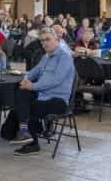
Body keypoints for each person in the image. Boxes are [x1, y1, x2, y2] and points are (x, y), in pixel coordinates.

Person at [9, 28, 75, 156]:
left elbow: (56, 80)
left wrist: (33, 86)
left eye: (48, 39)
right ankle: (26, 132)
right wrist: (25, 79)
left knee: (28, 106)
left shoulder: (65, 57)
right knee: (21, 93)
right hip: (43, 96)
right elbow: (34, 72)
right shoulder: (46, 57)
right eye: (42, 41)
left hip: (59, 101)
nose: (44, 43)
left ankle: (32, 143)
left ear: (57, 39)